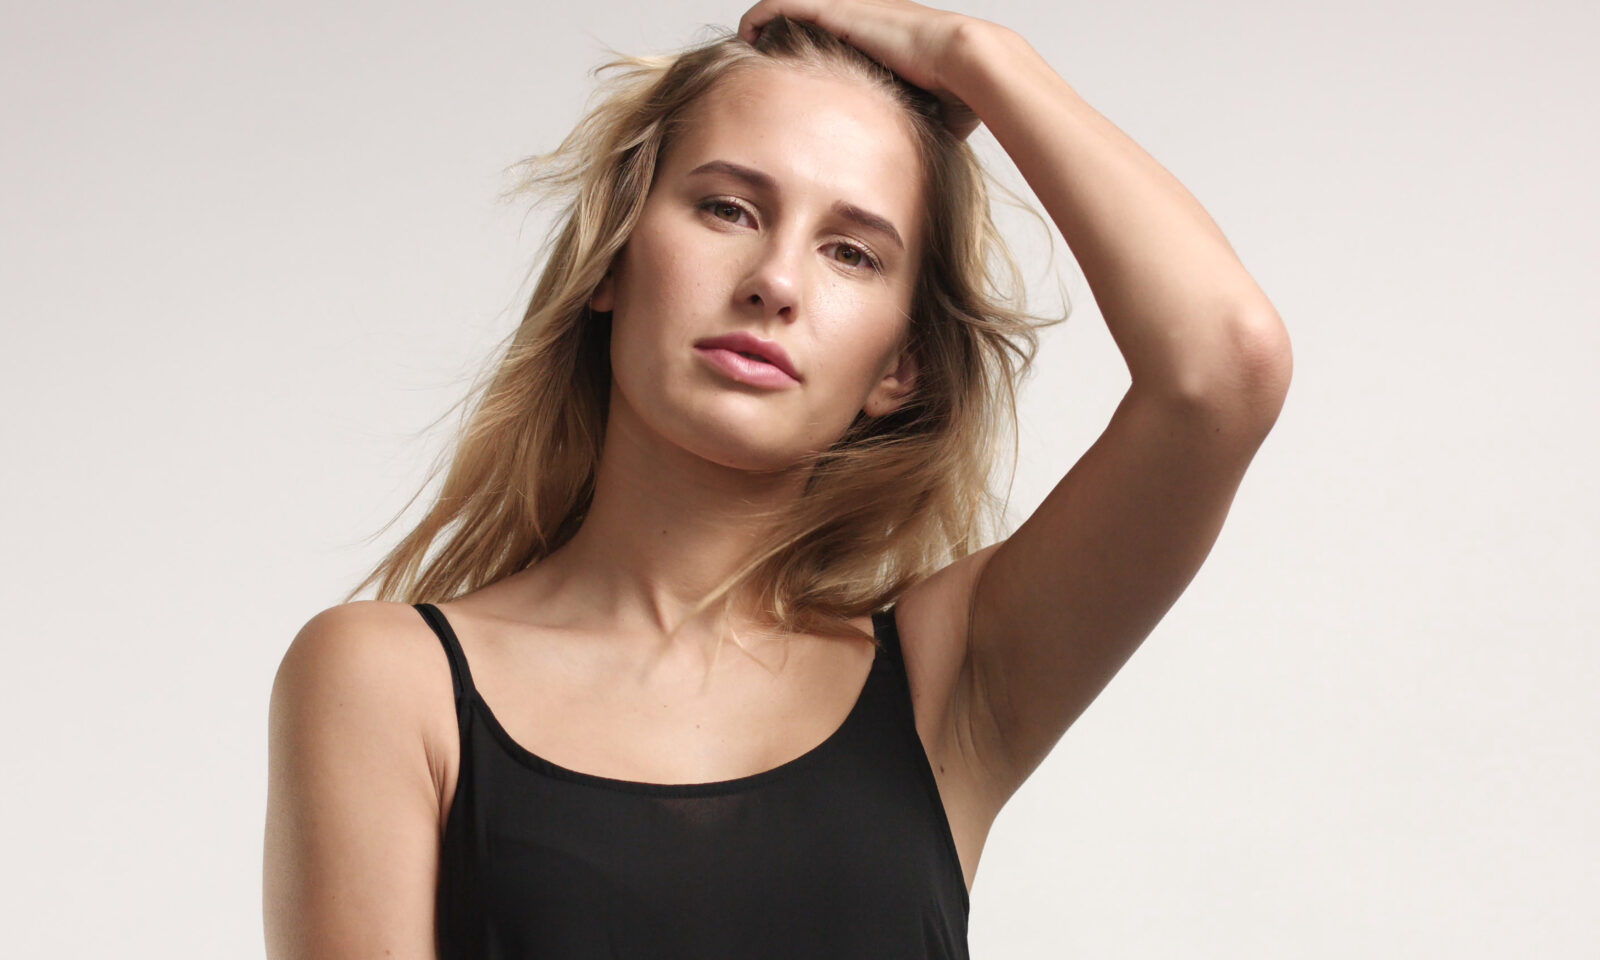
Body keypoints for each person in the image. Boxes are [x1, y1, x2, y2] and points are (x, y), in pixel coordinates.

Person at [263, 1, 1292, 957]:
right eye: (727, 208)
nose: (775, 282)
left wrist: (978, 57)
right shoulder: (389, 681)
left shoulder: (947, 682)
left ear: (900, 366)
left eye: (852, 253)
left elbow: (1224, 367)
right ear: (613, 259)